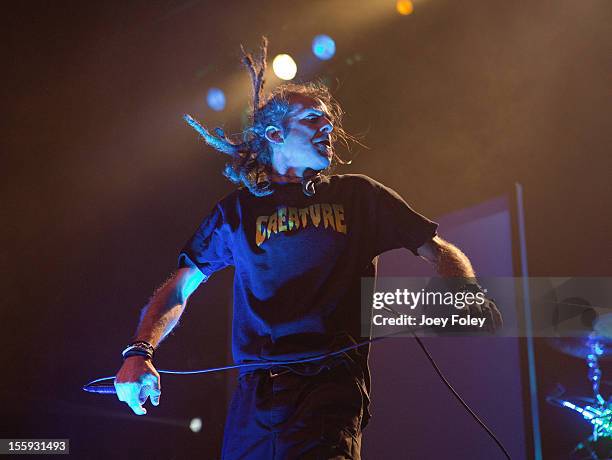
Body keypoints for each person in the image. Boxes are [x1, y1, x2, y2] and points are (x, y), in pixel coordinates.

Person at [113, 38, 502, 459]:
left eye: (329, 122)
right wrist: (139, 352)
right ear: (275, 133)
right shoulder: (235, 213)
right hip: (255, 399)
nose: (329, 128)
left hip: (329, 392)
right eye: (315, 120)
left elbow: (439, 249)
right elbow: (179, 288)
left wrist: (462, 290)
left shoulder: (359, 197)